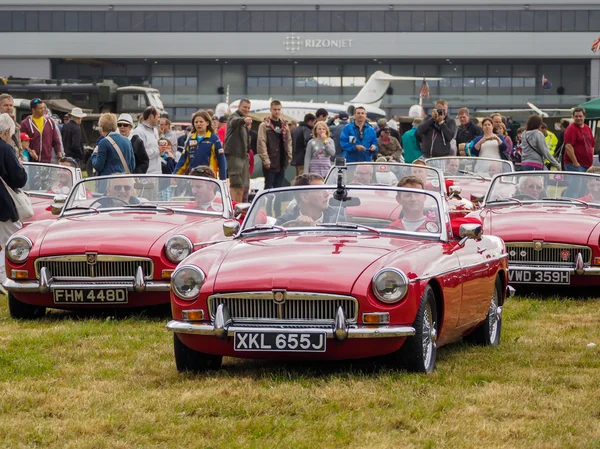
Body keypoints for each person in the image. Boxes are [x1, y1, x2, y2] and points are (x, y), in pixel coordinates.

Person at [0, 113, 28, 283]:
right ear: (8, 130)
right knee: (13, 239)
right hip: (2, 203)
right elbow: (19, 179)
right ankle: (4, 277)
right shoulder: (4, 148)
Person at [257, 100, 293, 216]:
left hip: (281, 160)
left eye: (279, 109)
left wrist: (289, 156)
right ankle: (268, 212)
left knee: (279, 189)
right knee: (268, 188)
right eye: (275, 109)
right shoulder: (265, 125)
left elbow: (289, 141)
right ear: (271, 110)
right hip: (270, 160)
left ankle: (277, 213)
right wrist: (265, 159)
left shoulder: (284, 124)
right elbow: (261, 142)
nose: (277, 112)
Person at [174, 110, 226, 180]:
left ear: (207, 123)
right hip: (193, 177)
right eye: (196, 122)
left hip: (209, 178)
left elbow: (221, 160)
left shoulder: (214, 139)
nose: (198, 124)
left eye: (201, 122)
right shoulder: (191, 139)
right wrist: (175, 175)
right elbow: (183, 160)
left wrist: (223, 179)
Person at [564, 107, 596, 198]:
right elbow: (568, 146)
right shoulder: (571, 129)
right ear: (573, 117)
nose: (578, 118)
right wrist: (575, 162)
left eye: (580, 116)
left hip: (586, 165)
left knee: (584, 188)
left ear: (584, 117)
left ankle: (580, 205)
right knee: (575, 188)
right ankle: (569, 204)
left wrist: (591, 159)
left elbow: (592, 145)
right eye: (576, 116)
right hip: (575, 165)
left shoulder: (587, 128)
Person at [224, 98, 253, 203]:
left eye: (248, 108)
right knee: (236, 184)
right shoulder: (235, 116)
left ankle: (239, 207)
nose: (246, 109)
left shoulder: (243, 120)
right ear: (239, 107)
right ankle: (233, 207)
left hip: (242, 156)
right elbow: (233, 122)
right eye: (244, 107)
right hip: (235, 155)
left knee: (242, 185)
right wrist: (243, 120)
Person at [20, 98, 63, 163]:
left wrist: (60, 156)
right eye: (40, 108)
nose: (43, 110)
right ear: (33, 110)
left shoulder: (50, 122)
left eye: (44, 108)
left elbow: (56, 140)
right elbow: (22, 142)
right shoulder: (25, 123)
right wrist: (30, 152)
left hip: (47, 161)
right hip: (31, 161)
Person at [132, 106, 161, 174]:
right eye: (158, 117)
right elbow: (140, 155)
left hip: (157, 173)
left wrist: (161, 150)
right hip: (146, 175)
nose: (159, 119)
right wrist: (158, 150)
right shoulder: (138, 132)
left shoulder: (155, 131)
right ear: (151, 116)